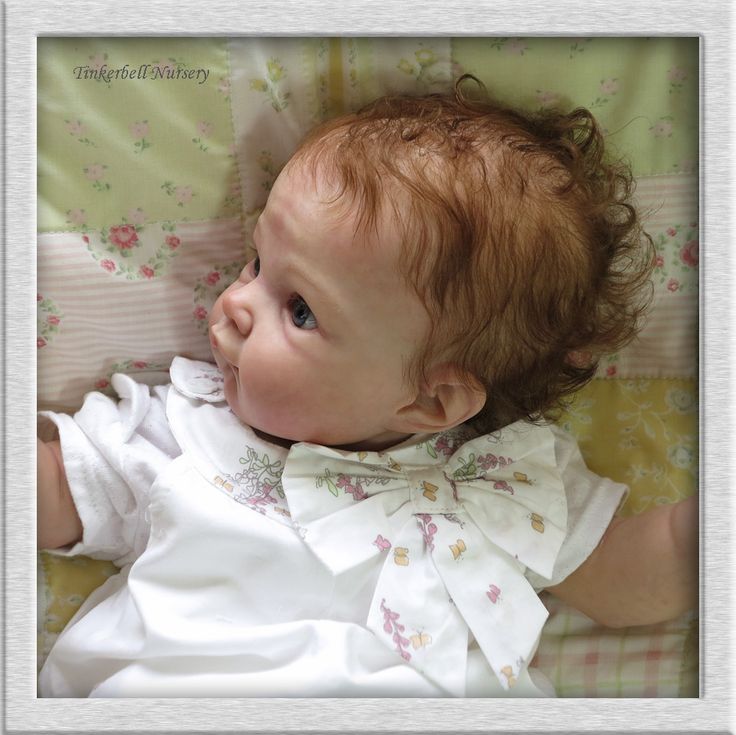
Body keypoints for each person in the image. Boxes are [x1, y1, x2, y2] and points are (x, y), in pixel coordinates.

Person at [37, 77, 698, 698]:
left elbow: (627, 580)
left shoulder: (507, 484)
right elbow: (55, 492)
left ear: (433, 403)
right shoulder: (188, 430)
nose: (237, 303)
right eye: (258, 262)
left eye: (299, 309)